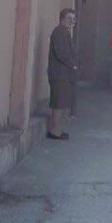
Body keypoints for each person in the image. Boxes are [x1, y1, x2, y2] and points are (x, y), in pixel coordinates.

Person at [47, 8, 78, 140]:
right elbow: (61, 52)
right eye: (69, 18)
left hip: (63, 74)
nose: (72, 21)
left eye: (74, 19)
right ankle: (54, 131)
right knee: (58, 103)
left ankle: (56, 129)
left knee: (61, 102)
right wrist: (73, 64)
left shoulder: (64, 32)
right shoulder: (60, 32)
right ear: (62, 19)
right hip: (59, 74)